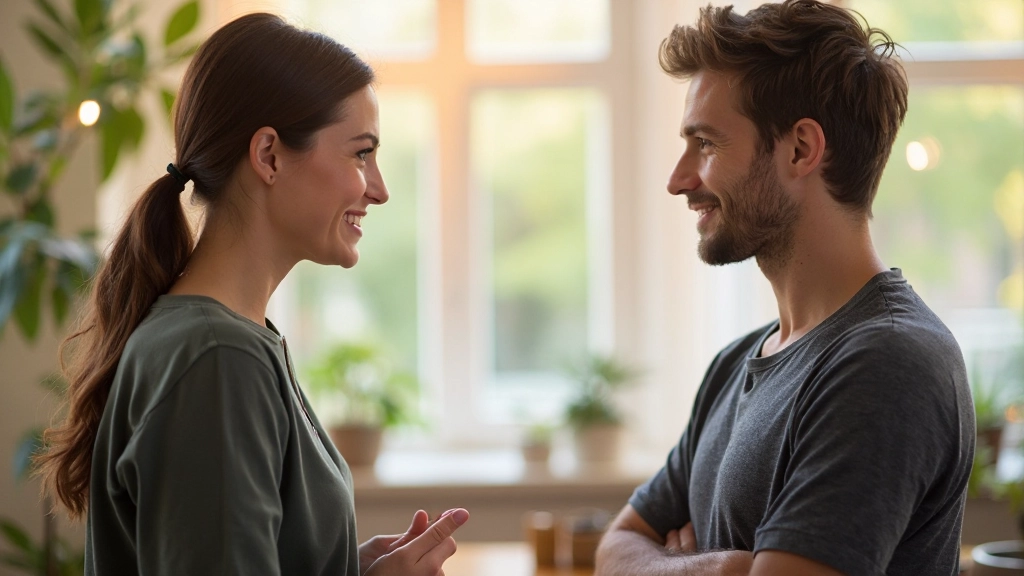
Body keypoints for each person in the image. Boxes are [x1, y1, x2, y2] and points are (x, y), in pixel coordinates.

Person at [35, 13, 468, 576]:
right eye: (360, 153)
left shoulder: (226, 343)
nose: (378, 189)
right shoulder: (216, 359)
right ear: (268, 155)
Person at [595, 1, 973, 575]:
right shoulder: (733, 364)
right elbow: (612, 551)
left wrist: (673, 561)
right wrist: (721, 569)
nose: (678, 181)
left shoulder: (887, 363)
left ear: (801, 149)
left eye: (707, 144)